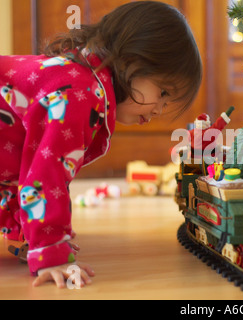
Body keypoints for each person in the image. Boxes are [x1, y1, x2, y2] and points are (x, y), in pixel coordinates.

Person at [0, 1, 202, 288]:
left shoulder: (78, 77)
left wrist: (29, 235)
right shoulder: (80, 94)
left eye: (167, 102)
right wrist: (52, 253)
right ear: (133, 60)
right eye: (163, 91)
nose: (159, 109)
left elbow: (20, 165)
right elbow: (47, 174)